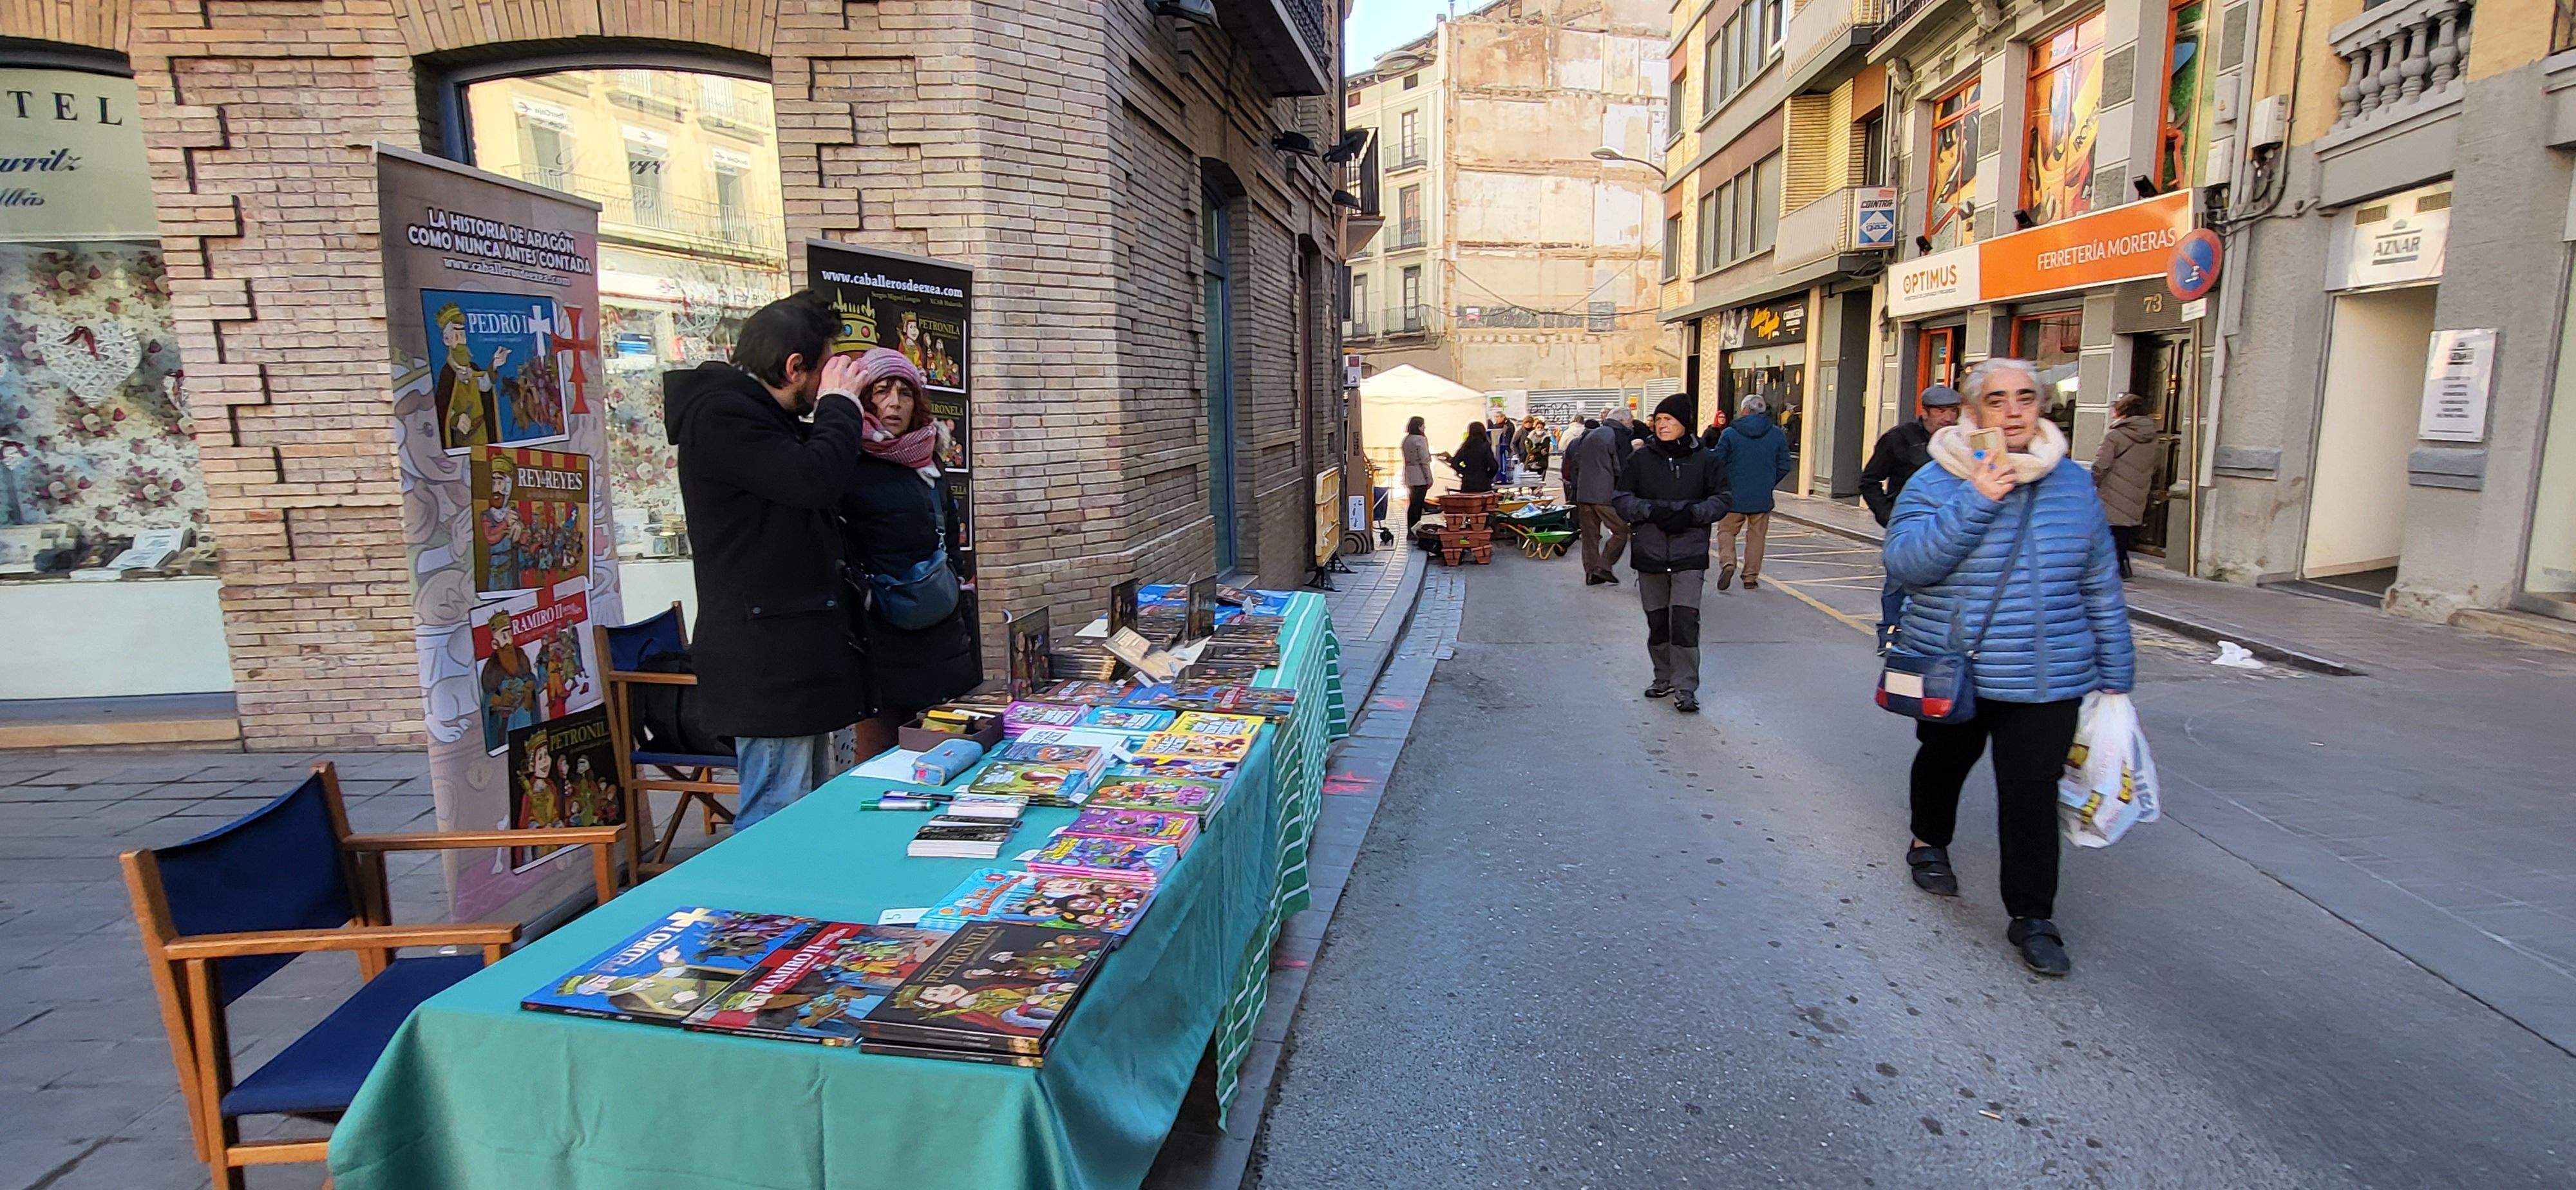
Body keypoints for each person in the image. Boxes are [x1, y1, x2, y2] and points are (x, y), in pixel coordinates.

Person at [1885, 357, 2136, 978]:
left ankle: (2032, 916)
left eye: (2026, 397)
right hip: (1957, 665)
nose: (2015, 411)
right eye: (1997, 401)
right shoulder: (1936, 480)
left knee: (2030, 794)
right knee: (1944, 761)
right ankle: (1928, 839)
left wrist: (2116, 671)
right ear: (1973, 413)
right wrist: (1976, 499)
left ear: (2042, 406)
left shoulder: (2071, 483)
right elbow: (1908, 566)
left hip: (2047, 673)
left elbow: (2099, 581)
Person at [664, 290, 871, 829]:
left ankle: (802, 888)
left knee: (813, 815)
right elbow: (813, 479)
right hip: (769, 658)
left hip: (798, 646)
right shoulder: (722, 415)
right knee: (777, 814)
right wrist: (841, 407)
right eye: (824, 372)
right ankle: (759, 891)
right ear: (794, 367)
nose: (827, 386)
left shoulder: (759, 416)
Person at [841, 347, 979, 735]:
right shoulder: (847, 460)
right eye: (882, 391)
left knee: (944, 739)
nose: (894, 403)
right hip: (879, 628)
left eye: (905, 393)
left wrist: (954, 580)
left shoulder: (927, 458)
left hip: (938, 624)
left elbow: (950, 531)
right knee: (883, 742)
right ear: (865, 397)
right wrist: (866, 595)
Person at [1609, 394, 1731, 713]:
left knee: (1685, 622)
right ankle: (1662, 676)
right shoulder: (1640, 460)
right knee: (1658, 621)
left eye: (1670, 420)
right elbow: (1621, 498)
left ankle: (1686, 687)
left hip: (1689, 552)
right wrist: (1650, 511)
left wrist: (1692, 514)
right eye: (1659, 420)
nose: (1662, 425)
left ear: (1684, 424)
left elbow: (1722, 499)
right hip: (1650, 552)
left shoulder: (1706, 460)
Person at [1861, 384, 1963, 649]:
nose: (1948, 418)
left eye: (1953, 411)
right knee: (1898, 583)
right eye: (1941, 411)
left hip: (1952, 526)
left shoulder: (1963, 441)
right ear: (1925, 412)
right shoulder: (1899, 439)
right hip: (1911, 526)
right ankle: (1890, 635)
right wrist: (1889, 517)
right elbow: (1869, 481)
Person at [1711, 393, 1793, 590]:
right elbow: (1785, 465)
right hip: (1761, 496)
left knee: (1726, 531)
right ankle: (1750, 577)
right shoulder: (1776, 434)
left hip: (1733, 494)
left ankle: (1728, 562)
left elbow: (1718, 462)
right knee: (1757, 537)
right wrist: (1768, 482)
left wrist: (1723, 483)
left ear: (1745, 410)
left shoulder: (1730, 433)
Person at [2091, 392, 2160, 579]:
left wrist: (2093, 481)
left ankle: (2116, 565)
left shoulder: (2115, 436)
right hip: (2138, 487)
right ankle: (2123, 563)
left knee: (2110, 528)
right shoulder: (2152, 436)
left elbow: (2102, 464)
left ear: (2123, 411)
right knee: (2125, 528)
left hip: (2114, 488)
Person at [1562, 405, 1630, 584]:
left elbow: (1576, 461)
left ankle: (1591, 573)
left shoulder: (1589, 435)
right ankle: (1604, 566)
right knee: (1621, 530)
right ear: (1622, 421)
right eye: (1630, 421)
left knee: (1590, 536)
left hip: (1584, 492)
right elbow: (1621, 467)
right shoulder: (1618, 435)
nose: (1631, 425)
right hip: (1604, 494)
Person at [1400, 416, 1434, 531]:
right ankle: (1416, 528)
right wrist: (1429, 478)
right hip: (1420, 475)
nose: (1425, 427)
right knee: (1418, 504)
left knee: (1412, 502)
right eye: (1423, 425)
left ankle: (1410, 527)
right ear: (1419, 426)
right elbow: (1424, 460)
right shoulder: (1420, 440)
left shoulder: (1407, 439)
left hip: (1409, 473)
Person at [1447, 421, 1498, 493]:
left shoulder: (1466, 447)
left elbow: (1455, 463)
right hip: (1483, 485)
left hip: (1468, 485)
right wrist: (1487, 476)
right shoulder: (1485, 446)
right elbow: (1494, 467)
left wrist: (1465, 472)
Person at [1521, 416, 1555, 482]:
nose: (1540, 429)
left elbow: (1544, 452)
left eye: (1541, 428)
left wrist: (1535, 456)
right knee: (1530, 481)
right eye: (1538, 427)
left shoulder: (1546, 438)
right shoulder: (1530, 437)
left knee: (1539, 482)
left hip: (1541, 463)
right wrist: (1538, 451)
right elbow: (1529, 450)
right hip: (1530, 462)